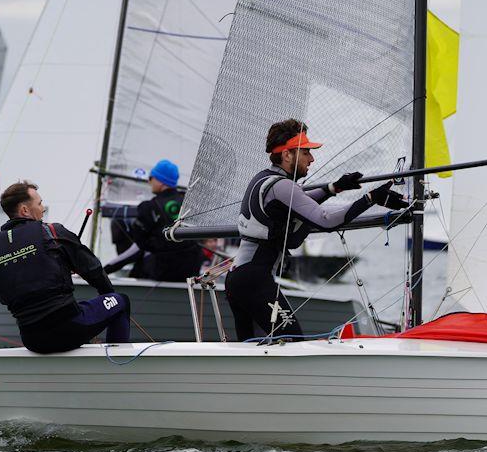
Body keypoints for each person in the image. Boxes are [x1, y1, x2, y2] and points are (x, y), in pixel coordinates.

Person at [225, 118, 408, 342]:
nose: (311, 159)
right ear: (287, 155)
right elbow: (326, 220)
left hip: (239, 278)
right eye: (306, 153)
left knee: (252, 350)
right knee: (292, 342)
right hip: (255, 280)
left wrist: (335, 188)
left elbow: (299, 203)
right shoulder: (282, 186)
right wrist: (371, 198)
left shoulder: (264, 178)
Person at [0, 181, 130, 353]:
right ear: (24, 210)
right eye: (39, 203)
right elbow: (93, 269)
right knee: (121, 301)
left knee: (77, 309)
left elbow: (3, 296)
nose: (43, 208)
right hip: (70, 330)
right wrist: (108, 294)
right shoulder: (52, 232)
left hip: (33, 341)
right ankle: (117, 365)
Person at [104, 159, 204, 281]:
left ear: (161, 182)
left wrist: (104, 270)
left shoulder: (149, 207)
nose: (149, 181)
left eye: (151, 177)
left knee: (141, 258)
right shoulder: (189, 204)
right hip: (190, 272)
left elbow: (138, 247)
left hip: (163, 273)